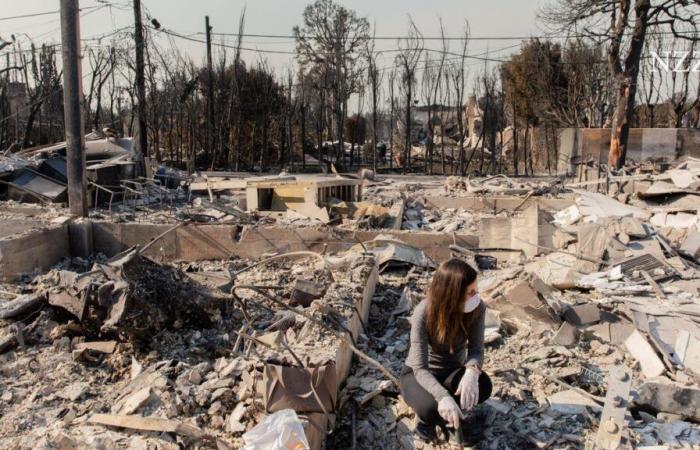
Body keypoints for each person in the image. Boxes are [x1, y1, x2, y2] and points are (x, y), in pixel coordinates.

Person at [401, 258, 492, 443]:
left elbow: (476, 349)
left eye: (476, 290)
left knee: (483, 386)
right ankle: (425, 420)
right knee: (429, 408)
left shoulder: (477, 309)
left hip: (452, 372)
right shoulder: (424, 313)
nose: (476, 296)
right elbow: (420, 368)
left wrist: (472, 371)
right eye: (471, 292)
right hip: (419, 375)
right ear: (453, 295)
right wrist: (442, 396)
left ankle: (451, 416)